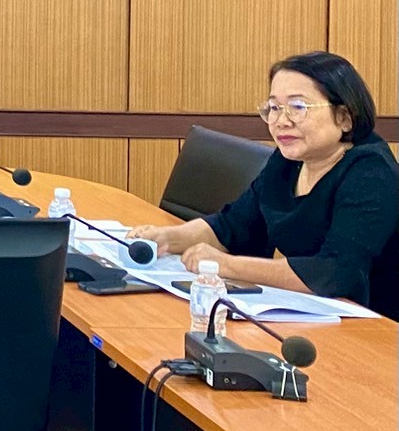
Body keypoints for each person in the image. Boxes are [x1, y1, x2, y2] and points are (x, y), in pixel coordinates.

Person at [129, 52, 398, 315]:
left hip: (377, 325)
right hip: (316, 314)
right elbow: (232, 226)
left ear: (344, 117)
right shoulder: (287, 162)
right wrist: (167, 238)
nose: (281, 121)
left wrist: (226, 265)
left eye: (298, 107)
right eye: (274, 108)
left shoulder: (371, 173)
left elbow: (333, 273)